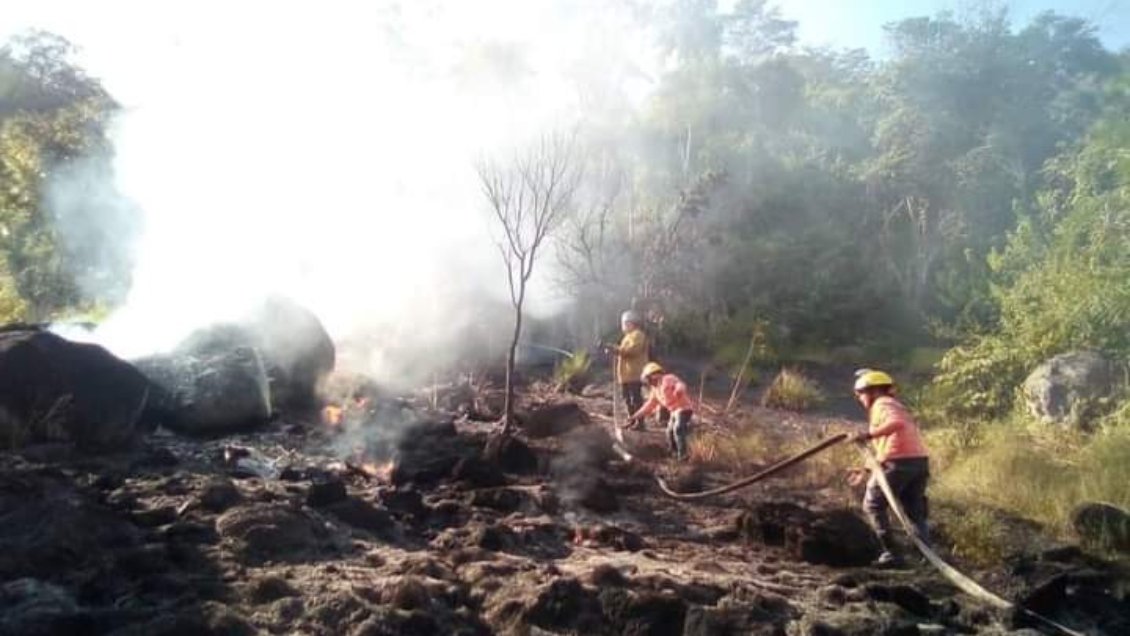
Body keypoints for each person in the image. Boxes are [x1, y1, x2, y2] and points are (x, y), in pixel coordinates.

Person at [849, 370, 930, 567]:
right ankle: (927, 557)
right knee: (913, 510)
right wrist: (865, 471)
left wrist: (868, 434)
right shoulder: (894, 405)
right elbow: (883, 446)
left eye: (860, 394)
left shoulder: (882, 404)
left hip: (898, 463)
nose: (859, 399)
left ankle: (893, 555)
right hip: (917, 462)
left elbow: (897, 424)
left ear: (872, 391)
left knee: (873, 505)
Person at [627, 362, 694, 461]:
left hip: (684, 409)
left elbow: (680, 384)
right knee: (669, 431)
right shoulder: (655, 390)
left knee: (678, 428)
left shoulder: (668, 379)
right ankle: (673, 452)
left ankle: (683, 455)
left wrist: (679, 389)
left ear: (653, 375)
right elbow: (648, 406)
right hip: (674, 411)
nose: (648, 381)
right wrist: (635, 416)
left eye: (648, 378)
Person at [604, 310, 649, 426]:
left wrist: (615, 349)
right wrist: (613, 349)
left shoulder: (638, 335)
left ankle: (640, 422)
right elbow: (623, 351)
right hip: (626, 375)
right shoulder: (627, 337)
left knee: (636, 399)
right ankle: (632, 419)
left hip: (634, 373)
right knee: (627, 399)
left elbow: (632, 351)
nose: (623, 327)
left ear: (630, 323)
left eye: (625, 324)